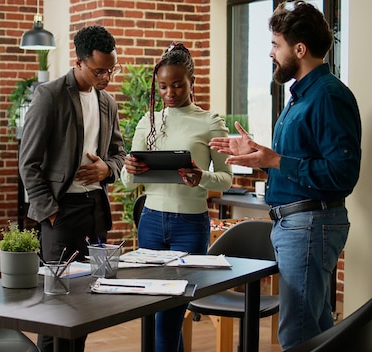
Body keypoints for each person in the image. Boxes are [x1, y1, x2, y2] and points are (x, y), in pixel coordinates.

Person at [209, 1, 361, 349]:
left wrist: (275, 159)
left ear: (300, 49)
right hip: (295, 225)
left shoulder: (328, 96)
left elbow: (343, 174)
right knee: (318, 328)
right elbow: (296, 161)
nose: (271, 53)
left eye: (276, 44)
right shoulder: (299, 98)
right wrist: (259, 155)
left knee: (298, 333)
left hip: (310, 225)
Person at [18, 25, 126, 352]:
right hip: (60, 214)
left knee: (86, 303)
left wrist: (107, 168)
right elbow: (29, 162)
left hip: (95, 211)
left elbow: (119, 153)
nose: (107, 76)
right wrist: (50, 212)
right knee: (56, 306)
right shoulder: (49, 95)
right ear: (78, 62)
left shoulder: (107, 102)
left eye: (111, 69)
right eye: (99, 70)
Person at [121, 42, 232, 352]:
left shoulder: (210, 123)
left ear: (191, 81)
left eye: (177, 84)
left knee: (168, 317)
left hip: (190, 226)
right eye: (164, 86)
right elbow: (128, 184)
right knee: (157, 313)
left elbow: (225, 180)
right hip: (151, 223)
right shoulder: (148, 122)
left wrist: (202, 177)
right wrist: (130, 168)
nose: (170, 92)